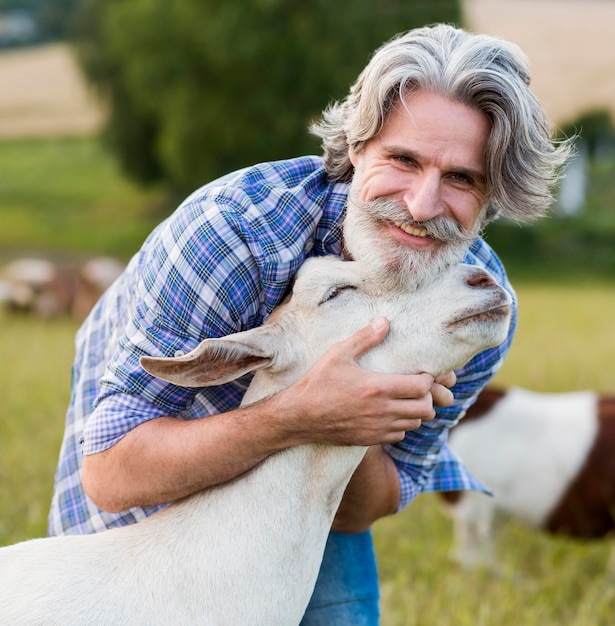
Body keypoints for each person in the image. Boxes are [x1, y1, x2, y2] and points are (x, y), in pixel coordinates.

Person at [48, 24, 570, 624]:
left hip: (312, 495)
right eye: (403, 159)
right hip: (152, 461)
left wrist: (369, 414)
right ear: (356, 148)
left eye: (462, 178)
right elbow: (111, 474)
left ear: (493, 195)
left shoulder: (474, 306)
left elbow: (360, 510)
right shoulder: (237, 234)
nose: (423, 206)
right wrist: (301, 413)